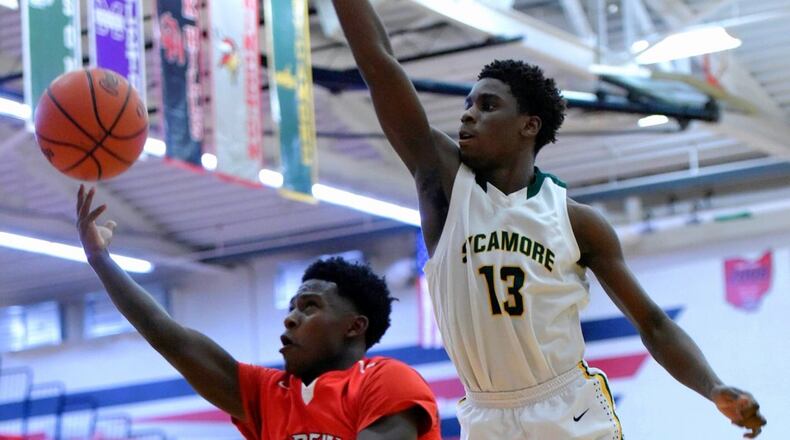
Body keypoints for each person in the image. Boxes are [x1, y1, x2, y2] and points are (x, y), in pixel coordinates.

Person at [328, 1, 767, 438]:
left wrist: (712, 387)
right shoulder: (444, 184)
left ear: (529, 125)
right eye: (468, 104)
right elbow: (379, 64)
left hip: (566, 408)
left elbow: (653, 323)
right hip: (486, 414)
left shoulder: (577, 222)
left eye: (487, 105)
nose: (468, 114)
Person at [75, 185, 441, 440]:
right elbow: (169, 337)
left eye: (310, 307)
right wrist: (100, 260)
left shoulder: (386, 379)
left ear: (354, 326)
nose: (290, 318)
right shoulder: (270, 394)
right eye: (292, 307)